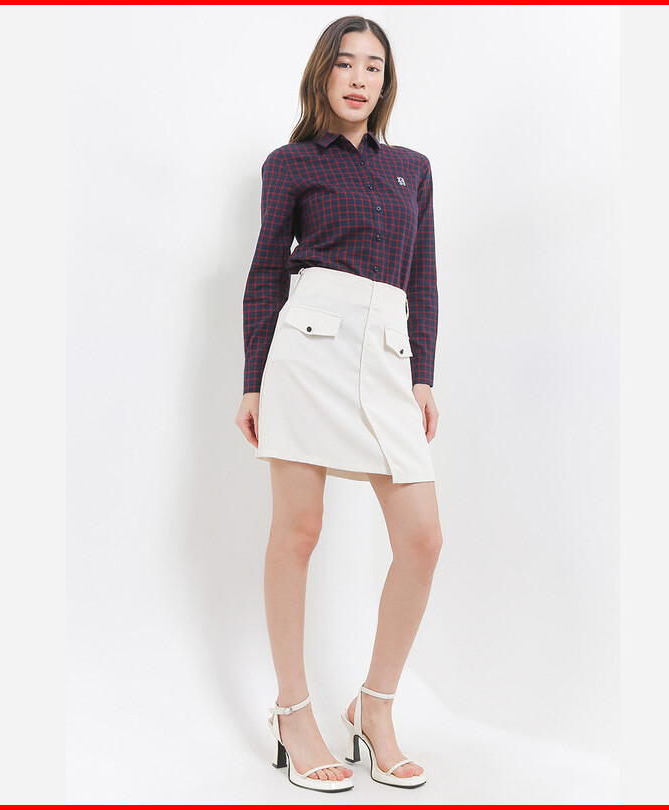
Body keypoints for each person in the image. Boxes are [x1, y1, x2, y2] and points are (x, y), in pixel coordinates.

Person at [235, 14, 443, 793]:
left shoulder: (412, 169)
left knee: (423, 538)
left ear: (387, 83)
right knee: (298, 529)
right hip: (308, 352)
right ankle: (294, 712)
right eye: (346, 63)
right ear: (322, 73)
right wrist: (252, 381)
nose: (360, 78)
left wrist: (423, 374)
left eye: (374, 67)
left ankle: (373, 707)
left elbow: (422, 276)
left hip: (387, 355)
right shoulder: (290, 164)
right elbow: (266, 271)